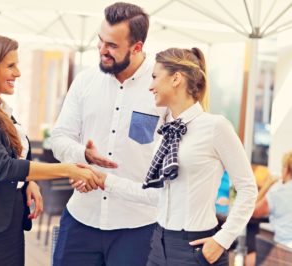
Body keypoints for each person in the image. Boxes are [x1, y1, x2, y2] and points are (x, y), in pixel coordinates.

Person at [76, 47, 258, 265]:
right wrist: (104, 180)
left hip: (196, 248)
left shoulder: (215, 127)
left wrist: (222, 240)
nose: (150, 86)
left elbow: (248, 188)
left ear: (176, 79)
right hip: (159, 244)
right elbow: (156, 196)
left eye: (154, 77)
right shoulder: (164, 132)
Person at [0, 33, 99, 266]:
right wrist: (68, 170)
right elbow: (4, 167)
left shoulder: (1, 110)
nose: (17, 72)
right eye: (10, 65)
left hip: (10, 230)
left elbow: (12, 161)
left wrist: (29, 182)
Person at [50, 2, 167, 266]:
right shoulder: (84, 81)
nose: (102, 50)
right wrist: (83, 156)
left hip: (138, 225)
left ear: (137, 47)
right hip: (81, 217)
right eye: (100, 40)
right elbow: (58, 138)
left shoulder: (161, 87)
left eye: (112, 45)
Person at [248, 151, 292, 264]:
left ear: (286, 170)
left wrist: (267, 185)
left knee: (249, 259)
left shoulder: (278, 191)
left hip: (285, 251)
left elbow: (252, 211)